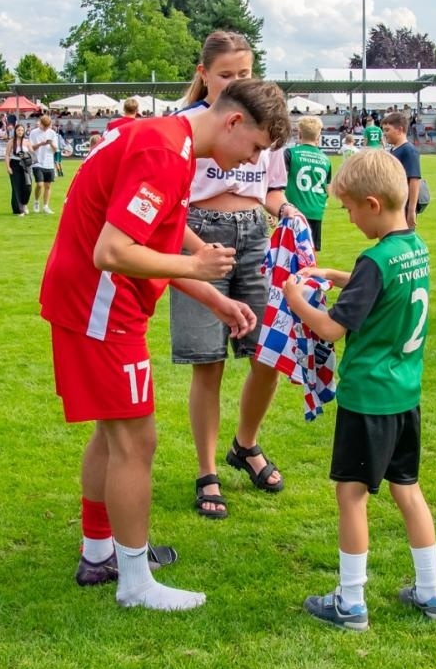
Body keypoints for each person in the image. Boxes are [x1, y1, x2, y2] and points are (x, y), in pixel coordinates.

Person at [41, 78, 288, 612]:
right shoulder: (165, 153)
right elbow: (114, 250)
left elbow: (160, 234)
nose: (252, 160)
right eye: (255, 147)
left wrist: (215, 299)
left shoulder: (163, 138)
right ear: (233, 121)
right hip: (100, 305)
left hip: (90, 302)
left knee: (113, 433)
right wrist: (197, 269)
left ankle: (99, 552)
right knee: (136, 441)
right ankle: (134, 582)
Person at [283, 150, 436, 630]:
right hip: (405, 394)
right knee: (408, 491)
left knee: (351, 496)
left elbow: (332, 328)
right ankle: (431, 592)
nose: (349, 217)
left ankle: (350, 601)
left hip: (367, 397)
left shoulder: (375, 259)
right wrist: (339, 276)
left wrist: (296, 302)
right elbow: (386, 287)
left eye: (350, 208)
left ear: (372, 204)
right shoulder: (414, 247)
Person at [169, 32, 291, 519]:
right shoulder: (184, 127)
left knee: (269, 352)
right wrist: (200, 253)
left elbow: (272, 193)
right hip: (200, 234)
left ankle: (245, 444)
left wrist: (291, 216)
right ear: (203, 74)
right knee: (208, 360)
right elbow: (168, 209)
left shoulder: (267, 125)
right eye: (226, 75)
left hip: (255, 236)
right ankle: (207, 471)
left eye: (245, 74)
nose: (236, 82)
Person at [283, 116, 332, 251]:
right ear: (318, 136)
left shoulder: (290, 153)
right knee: (310, 252)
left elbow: (280, 182)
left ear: (299, 134)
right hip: (316, 212)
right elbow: (329, 190)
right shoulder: (325, 159)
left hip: (293, 211)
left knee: (290, 251)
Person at [381, 110, 429, 230]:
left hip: (404, 205)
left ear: (400, 129)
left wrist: (411, 210)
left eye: (387, 130)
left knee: (402, 240)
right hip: (394, 203)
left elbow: (414, 180)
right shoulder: (394, 150)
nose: (385, 134)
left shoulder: (408, 150)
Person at [28, 114, 61, 214]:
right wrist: (41, 144)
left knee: (48, 185)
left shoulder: (52, 133)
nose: (46, 128)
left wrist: (50, 143)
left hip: (49, 162)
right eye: (44, 126)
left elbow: (56, 150)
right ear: (40, 124)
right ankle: (37, 201)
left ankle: (46, 206)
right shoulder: (34, 133)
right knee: (39, 184)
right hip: (37, 162)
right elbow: (31, 148)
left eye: (48, 126)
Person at [8, 123, 33, 217]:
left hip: (26, 166)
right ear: (15, 131)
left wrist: (26, 157)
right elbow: (7, 155)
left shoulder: (26, 141)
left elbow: (32, 153)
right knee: (16, 187)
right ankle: (20, 210)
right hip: (15, 164)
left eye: (22, 130)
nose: (20, 132)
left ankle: (24, 203)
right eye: (18, 130)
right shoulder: (11, 142)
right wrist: (8, 167)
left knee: (28, 186)